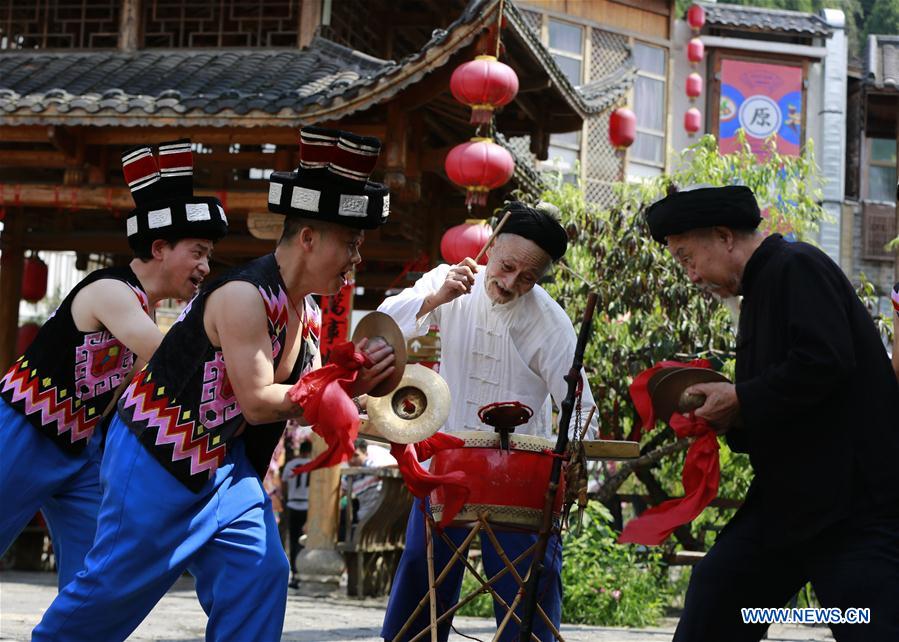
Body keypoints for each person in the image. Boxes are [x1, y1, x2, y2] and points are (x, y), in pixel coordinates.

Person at [32, 126, 396, 642]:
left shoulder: (307, 312)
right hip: (156, 453)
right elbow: (257, 401)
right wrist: (327, 395)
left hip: (224, 467)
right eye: (351, 243)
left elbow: (306, 392)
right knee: (112, 593)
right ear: (309, 238)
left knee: (260, 573)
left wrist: (358, 383)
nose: (357, 258)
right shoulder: (245, 295)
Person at [645, 184, 899, 642]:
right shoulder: (759, 292)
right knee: (718, 599)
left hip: (852, 505)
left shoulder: (795, 265)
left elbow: (825, 361)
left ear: (724, 236)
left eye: (687, 258)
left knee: (868, 624)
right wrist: (731, 414)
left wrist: (742, 399)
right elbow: (784, 398)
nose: (691, 275)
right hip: (789, 504)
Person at [0, 139, 227, 590]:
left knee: (96, 577)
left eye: (207, 256)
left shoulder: (140, 304)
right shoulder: (111, 291)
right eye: (198, 252)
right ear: (160, 247)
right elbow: (168, 356)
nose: (205, 266)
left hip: (80, 451)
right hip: (21, 431)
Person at [378, 201, 599, 642]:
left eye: (528, 277)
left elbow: (581, 410)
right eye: (507, 265)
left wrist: (575, 459)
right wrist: (436, 299)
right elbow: (382, 328)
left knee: (529, 599)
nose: (511, 282)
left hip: (520, 472)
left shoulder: (550, 321)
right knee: (420, 585)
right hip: (448, 459)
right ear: (492, 245)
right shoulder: (453, 281)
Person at [282, 439, 312, 589]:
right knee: (305, 540)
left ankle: (294, 574)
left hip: (293, 503)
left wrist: (287, 498)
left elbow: (284, 484)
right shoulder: (315, 463)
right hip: (308, 505)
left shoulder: (290, 465)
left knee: (293, 541)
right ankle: (303, 572)